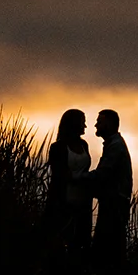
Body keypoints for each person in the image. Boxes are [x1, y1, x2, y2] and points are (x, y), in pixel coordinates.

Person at [88, 107, 132, 275]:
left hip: (114, 204)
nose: (95, 125)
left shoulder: (115, 147)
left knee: (107, 246)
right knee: (111, 246)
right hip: (114, 202)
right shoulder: (114, 145)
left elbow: (102, 173)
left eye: (99, 122)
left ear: (109, 123)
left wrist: (78, 178)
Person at [45, 108, 93, 258]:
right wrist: (85, 177)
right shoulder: (58, 147)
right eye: (82, 122)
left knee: (80, 242)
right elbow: (59, 175)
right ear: (73, 124)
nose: (85, 126)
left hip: (82, 202)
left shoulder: (84, 145)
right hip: (62, 201)